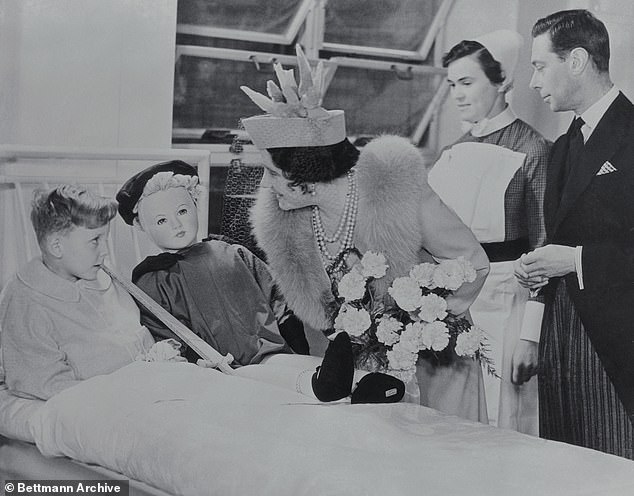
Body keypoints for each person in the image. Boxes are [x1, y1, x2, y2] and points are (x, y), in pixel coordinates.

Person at [243, 46, 491, 422]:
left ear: (307, 178)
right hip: (363, 375)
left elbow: (473, 263)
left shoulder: (401, 195)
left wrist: (416, 325)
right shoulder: (294, 223)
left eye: (274, 173)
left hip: (436, 362)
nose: (266, 184)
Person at [117, 163, 405, 403]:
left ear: (195, 203)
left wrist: (297, 341)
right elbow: (163, 334)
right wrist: (192, 365)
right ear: (143, 227)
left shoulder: (232, 253)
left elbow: (279, 300)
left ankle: (365, 383)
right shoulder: (154, 278)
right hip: (222, 366)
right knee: (272, 376)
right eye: (161, 221)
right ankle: (319, 387)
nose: (177, 225)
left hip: (268, 349)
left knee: (292, 363)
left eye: (182, 212)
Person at [516, 9, 634, 458]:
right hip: (560, 343)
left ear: (578, 60)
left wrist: (576, 261)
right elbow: (556, 237)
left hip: (615, 352)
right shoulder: (565, 145)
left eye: (540, 66)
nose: (533, 81)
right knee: (562, 469)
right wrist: (539, 271)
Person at [427, 30, 550, 434]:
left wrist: (530, 336)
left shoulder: (532, 149)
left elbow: (544, 243)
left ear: (502, 83)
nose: (457, 95)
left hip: (505, 305)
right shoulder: (453, 150)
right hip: (455, 304)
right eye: (452, 85)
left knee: (502, 418)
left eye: (467, 82)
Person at [0, 185, 156, 400]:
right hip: (101, 400)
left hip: (143, 382)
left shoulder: (101, 274)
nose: (105, 251)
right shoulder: (27, 300)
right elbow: (44, 383)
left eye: (105, 240)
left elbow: (136, 334)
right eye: (95, 241)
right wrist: (122, 393)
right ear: (57, 246)